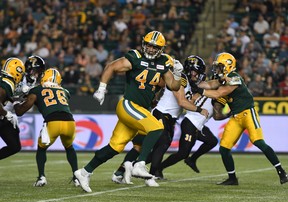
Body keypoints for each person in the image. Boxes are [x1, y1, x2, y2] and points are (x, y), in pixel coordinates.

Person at [74, 30, 182, 193]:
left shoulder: (164, 63)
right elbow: (112, 67)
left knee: (115, 147)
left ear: (161, 49)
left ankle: (84, 172)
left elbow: (173, 86)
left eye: (155, 47)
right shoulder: (135, 57)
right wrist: (102, 88)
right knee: (157, 128)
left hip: (140, 109)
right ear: (144, 44)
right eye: (149, 45)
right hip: (129, 104)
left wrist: (178, 73)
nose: (151, 49)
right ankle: (139, 165)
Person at [112, 55, 209, 187]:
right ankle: (150, 175)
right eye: (196, 72)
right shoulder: (181, 79)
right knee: (162, 144)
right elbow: (181, 102)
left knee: (142, 145)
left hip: (168, 116)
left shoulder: (188, 82)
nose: (198, 75)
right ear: (190, 70)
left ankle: (123, 170)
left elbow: (207, 86)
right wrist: (199, 109)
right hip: (163, 115)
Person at [195, 52, 288, 185]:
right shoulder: (222, 79)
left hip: (248, 113)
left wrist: (199, 91)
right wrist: (195, 84)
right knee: (224, 147)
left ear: (228, 66)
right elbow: (210, 85)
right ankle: (232, 178)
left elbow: (219, 92)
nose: (217, 69)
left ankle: (281, 171)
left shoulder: (234, 77)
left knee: (258, 142)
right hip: (236, 116)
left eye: (220, 66)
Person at [157, 56, 229, 178]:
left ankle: (192, 159)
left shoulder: (210, 88)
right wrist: (230, 113)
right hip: (191, 122)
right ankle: (158, 168)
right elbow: (216, 114)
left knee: (211, 141)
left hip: (197, 124)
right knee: (183, 152)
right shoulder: (214, 90)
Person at [13, 68, 79, 187]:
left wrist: (17, 103)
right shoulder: (65, 91)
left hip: (53, 122)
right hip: (70, 123)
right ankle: (76, 177)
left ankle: (41, 177)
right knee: (69, 148)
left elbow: (21, 110)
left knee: (41, 148)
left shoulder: (37, 90)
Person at [0, 57, 25, 160]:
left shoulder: (5, 81)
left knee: (14, 146)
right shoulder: (7, 82)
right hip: (2, 115)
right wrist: (7, 114)